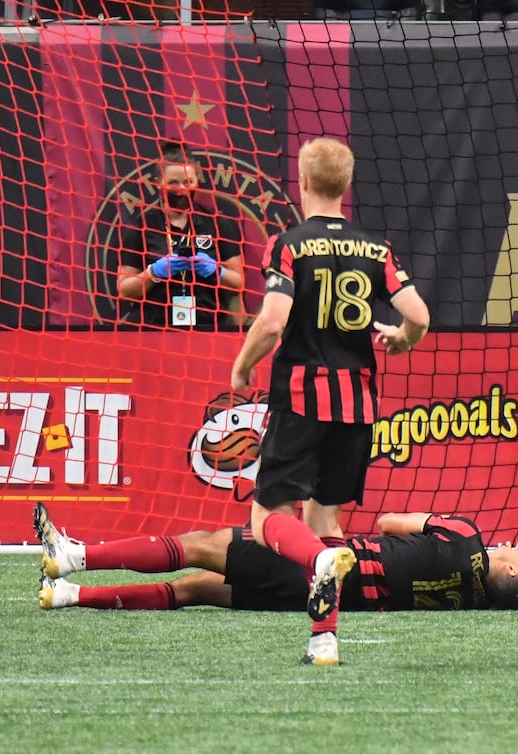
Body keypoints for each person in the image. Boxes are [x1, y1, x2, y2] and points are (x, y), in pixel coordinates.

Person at [229, 136, 430, 666]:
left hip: (302, 398)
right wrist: (402, 340)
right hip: (358, 406)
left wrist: (243, 366)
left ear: (301, 182)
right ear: (347, 184)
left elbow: (272, 321)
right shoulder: (377, 250)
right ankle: (324, 640)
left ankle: (318, 568)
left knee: (265, 519)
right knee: (326, 523)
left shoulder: (290, 244)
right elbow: (420, 316)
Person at [31, 503, 518, 614]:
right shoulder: (477, 604)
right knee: (196, 590)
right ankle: (69, 596)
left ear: (506, 569)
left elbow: (391, 522)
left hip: (318, 562)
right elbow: (502, 582)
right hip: (319, 602)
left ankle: (77, 556)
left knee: (201, 544)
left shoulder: (466, 536)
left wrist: (488, 545)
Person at [116, 140, 247, 330]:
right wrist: (153, 273)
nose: (182, 188)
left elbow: (239, 283)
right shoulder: (141, 226)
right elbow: (124, 289)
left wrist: (217, 271)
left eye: (188, 182)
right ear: (159, 182)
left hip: (209, 329)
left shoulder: (217, 223)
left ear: (197, 181)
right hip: (155, 330)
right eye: (173, 183)